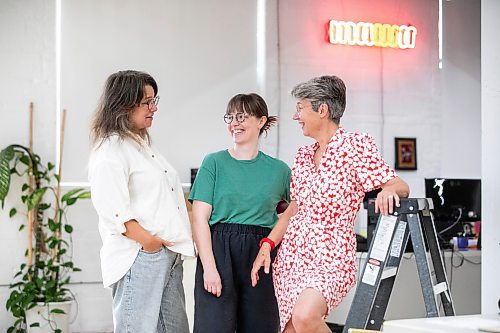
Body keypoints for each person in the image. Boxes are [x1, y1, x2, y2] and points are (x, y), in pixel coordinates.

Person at [251, 75, 410, 333]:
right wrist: (268, 244)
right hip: (292, 258)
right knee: (292, 328)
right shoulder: (303, 155)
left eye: (300, 108)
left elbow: (399, 185)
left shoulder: (355, 145)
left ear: (322, 110)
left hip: (331, 255)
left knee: (305, 316)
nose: (295, 116)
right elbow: (293, 209)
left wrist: (388, 190)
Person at [88, 70, 195, 333]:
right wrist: (149, 244)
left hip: (166, 254)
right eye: (147, 101)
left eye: (154, 100)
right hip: (140, 254)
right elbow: (113, 211)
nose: (154, 108)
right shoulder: (110, 150)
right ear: (124, 103)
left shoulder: (141, 145)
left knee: (175, 329)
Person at [189, 93, 291, 333]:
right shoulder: (213, 162)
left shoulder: (280, 170)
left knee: (261, 326)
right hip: (219, 250)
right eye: (230, 117)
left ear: (261, 121)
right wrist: (210, 269)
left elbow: (294, 212)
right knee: (213, 327)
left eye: (242, 116)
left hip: (261, 253)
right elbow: (199, 219)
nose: (234, 123)